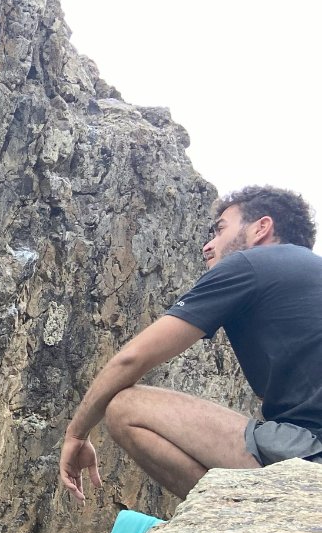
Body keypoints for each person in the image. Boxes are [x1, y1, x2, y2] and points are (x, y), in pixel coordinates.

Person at [60, 185, 322, 501]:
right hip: (306, 448)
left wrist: (76, 433)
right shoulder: (302, 281)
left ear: (261, 229)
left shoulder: (250, 264)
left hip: (311, 457)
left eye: (220, 230)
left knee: (125, 408)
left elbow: (132, 360)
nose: (208, 247)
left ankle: (236, 525)